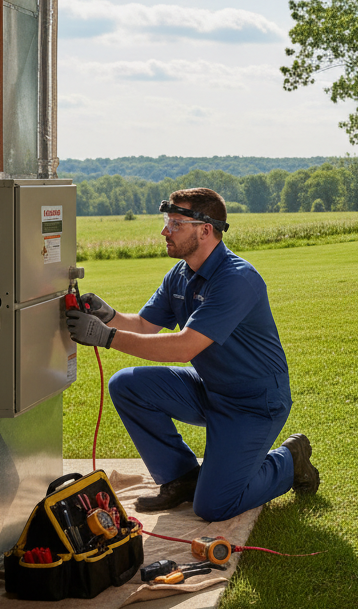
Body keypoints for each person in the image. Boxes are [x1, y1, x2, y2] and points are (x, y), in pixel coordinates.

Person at [65, 187, 319, 522]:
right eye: (167, 222)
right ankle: (182, 477)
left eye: (175, 223)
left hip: (254, 403)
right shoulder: (180, 275)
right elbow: (143, 325)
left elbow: (185, 347)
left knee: (214, 506)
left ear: (205, 230)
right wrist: (108, 316)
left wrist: (106, 337)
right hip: (210, 387)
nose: (165, 231)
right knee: (126, 384)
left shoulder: (237, 279)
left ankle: (289, 460)